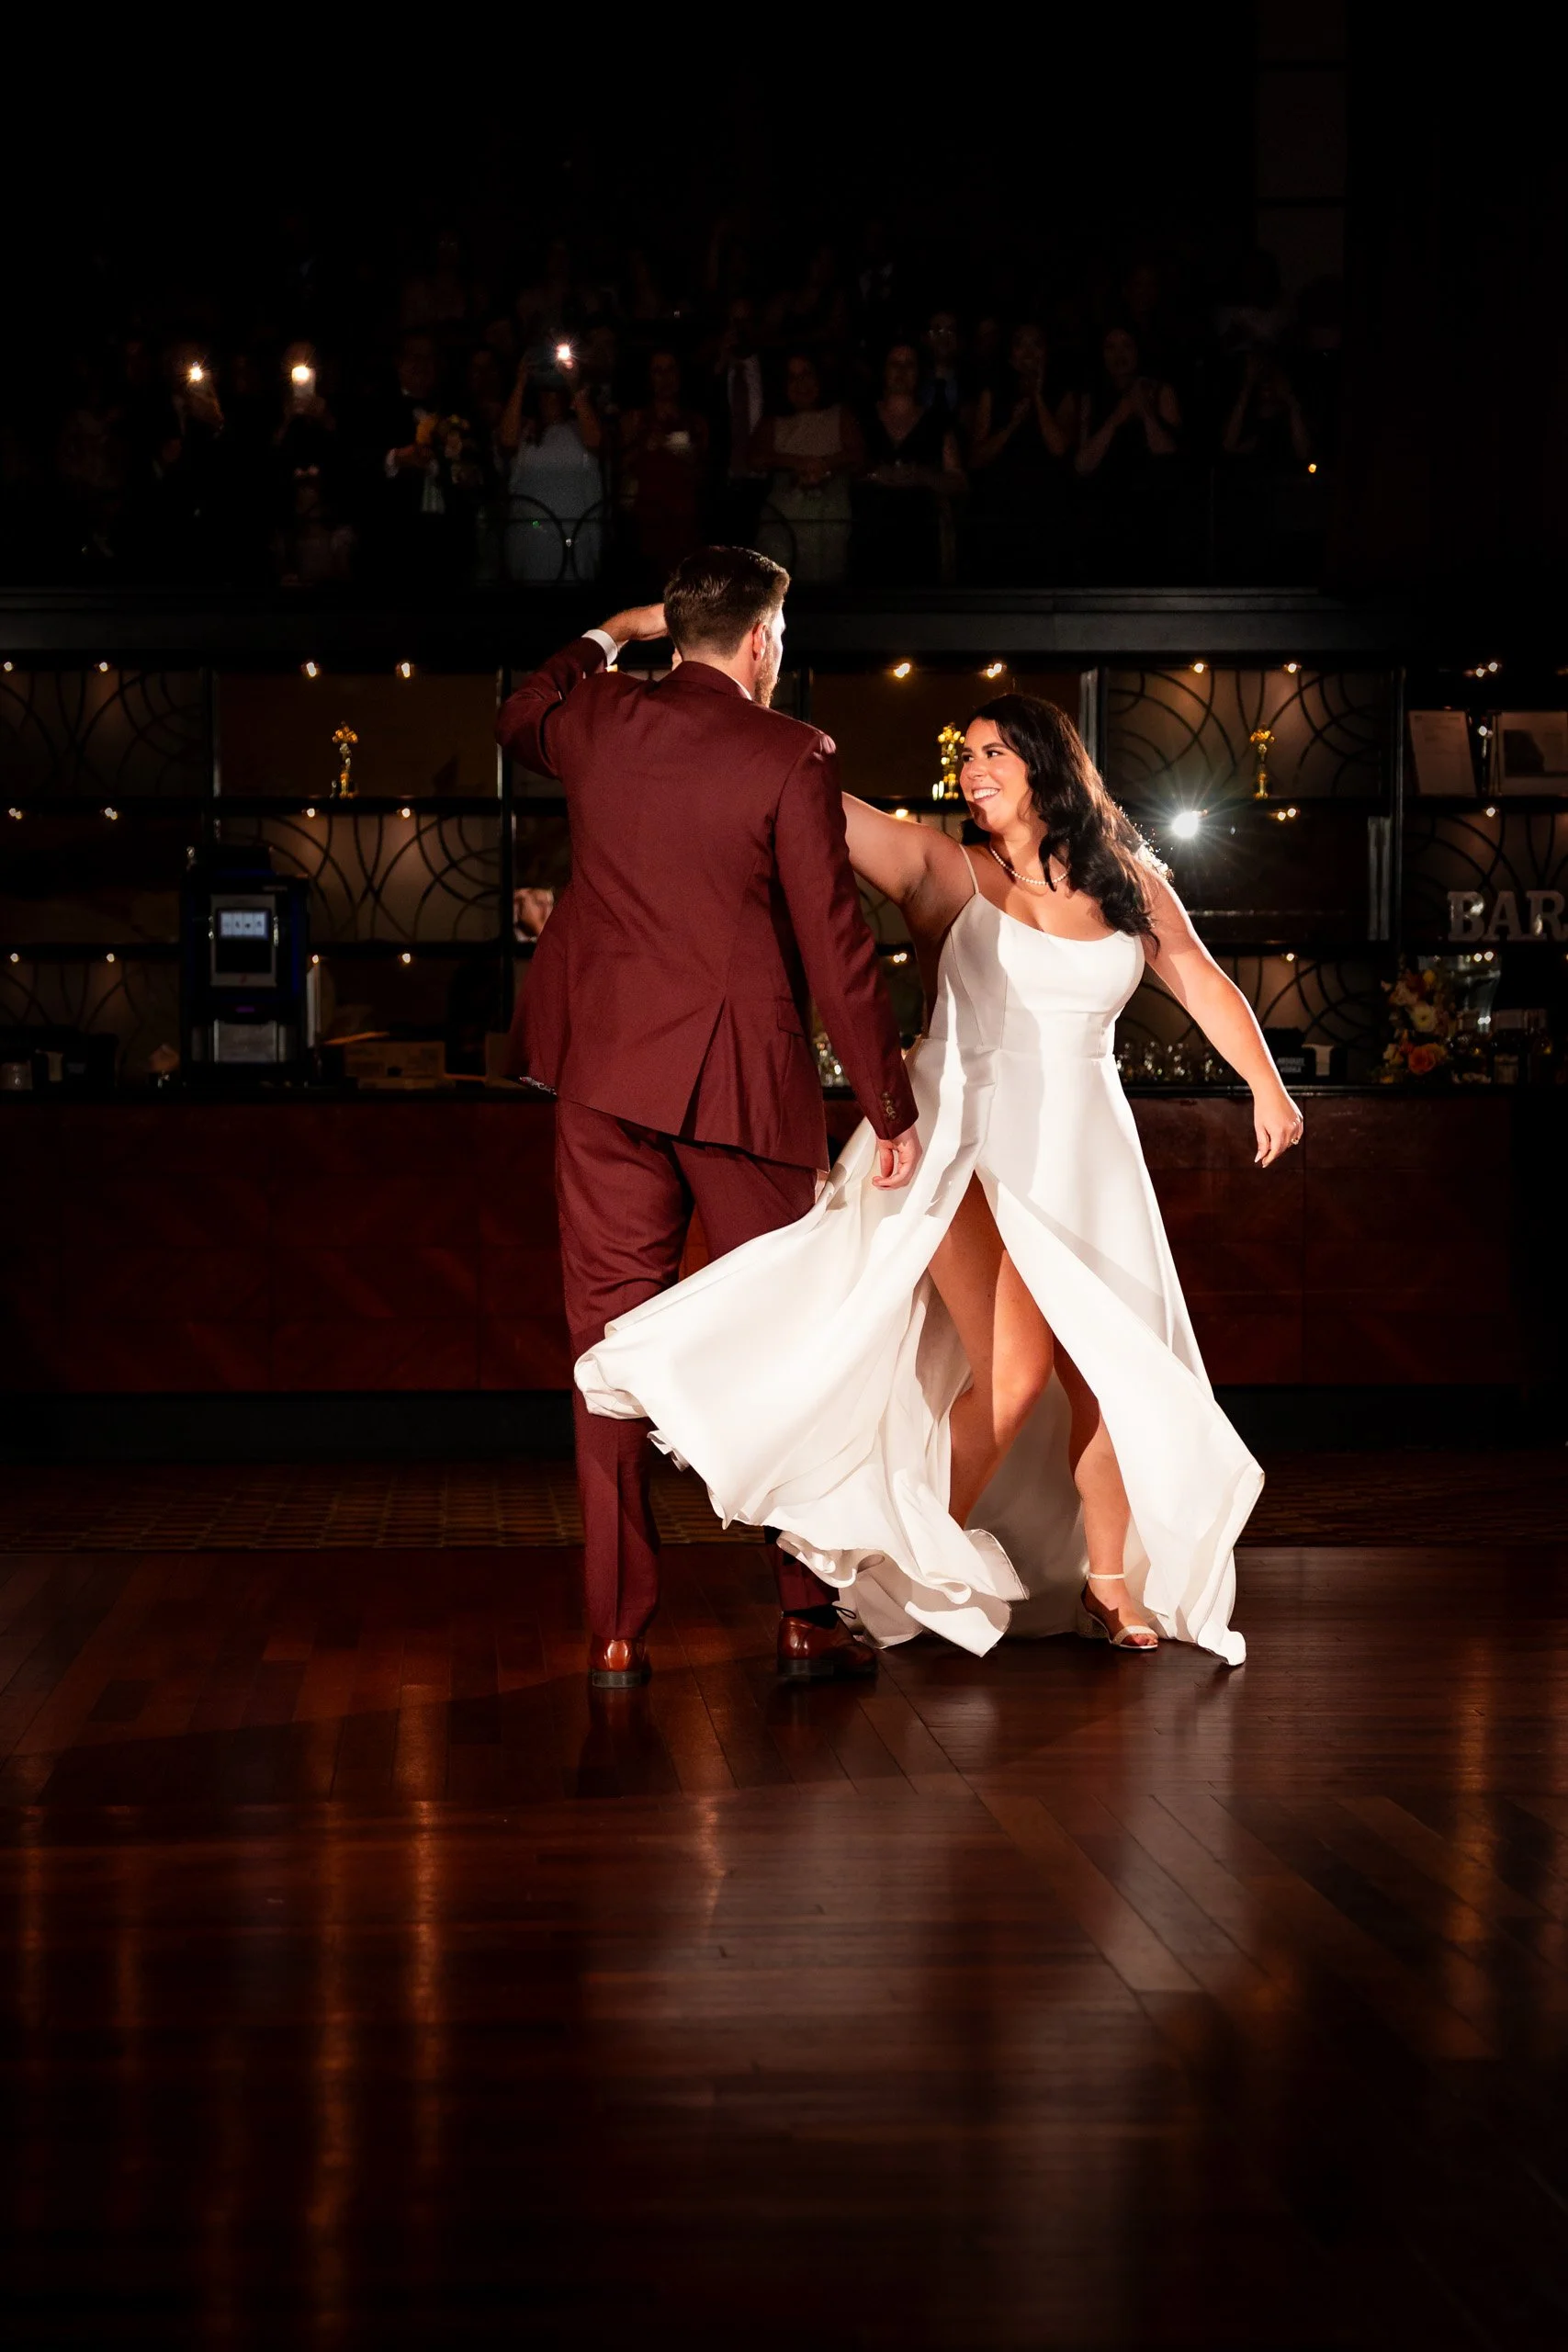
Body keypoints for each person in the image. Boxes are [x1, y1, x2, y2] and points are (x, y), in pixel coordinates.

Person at [580, 695, 1303, 1666]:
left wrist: (1265, 1084)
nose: (973, 769)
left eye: (995, 752)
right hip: (969, 1143)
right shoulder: (940, 866)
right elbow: (814, 798)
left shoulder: (1126, 880)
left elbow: (1202, 979)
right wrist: (733, 711)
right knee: (1012, 1377)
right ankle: (912, 1561)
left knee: (1116, 1365)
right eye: (967, 755)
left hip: (1089, 1149)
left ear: (1048, 766)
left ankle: (1109, 1582)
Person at [495, 547, 919, 1690]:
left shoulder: (597, 719)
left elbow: (521, 710)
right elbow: (837, 946)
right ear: (763, 640)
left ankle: (617, 1628)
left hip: (603, 1079)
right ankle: (804, 1614)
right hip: (738, 1085)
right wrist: (887, 1107)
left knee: (606, 1351)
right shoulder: (792, 751)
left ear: (674, 630)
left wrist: (609, 631)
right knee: (790, 1342)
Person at [966, 322, 1076, 579]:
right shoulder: (993, 393)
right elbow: (975, 459)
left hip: (1048, 510)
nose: (1028, 352)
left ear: (1046, 352)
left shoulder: (1062, 393)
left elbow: (1060, 448)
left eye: (1036, 344)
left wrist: (1037, 397)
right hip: (1001, 508)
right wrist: (1011, 426)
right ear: (1010, 354)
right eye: (1020, 344)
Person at [854, 341, 964, 583]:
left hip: (921, 536)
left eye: (909, 365)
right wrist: (875, 475)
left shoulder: (937, 422)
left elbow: (958, 480)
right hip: (868, 533)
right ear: (883, 370)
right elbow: (844, 469)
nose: (901, 371)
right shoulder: (861, 418)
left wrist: (922, 476)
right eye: (894, 364)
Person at [752, 352, 863, 584]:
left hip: (829, 514)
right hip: (784, 516)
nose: (801, 384)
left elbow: (859, 456)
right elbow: (755, 458)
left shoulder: (839, 415)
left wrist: (824, 465)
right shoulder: (772, 422)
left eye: (806, 374)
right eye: (793, 378)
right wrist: (798, 464)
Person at [497, 355, 605, 583]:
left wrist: (573, 384)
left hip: (577, 546)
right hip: (531, 545)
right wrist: (521, 382)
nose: (551, 397)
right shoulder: (525, 432)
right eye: (545, 391)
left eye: (556, 390)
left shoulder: (582, 429)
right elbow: (506, 442)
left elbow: (596, 442)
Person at [618, 350, 709, 583]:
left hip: (685, 522)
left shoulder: (696, 422)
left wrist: (689, 457)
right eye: (658, 371)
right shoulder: (634, 420)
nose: (665, 378)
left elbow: (706, 474)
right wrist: (644, 446)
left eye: (670, 370)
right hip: (645, 522)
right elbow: (617, 467)